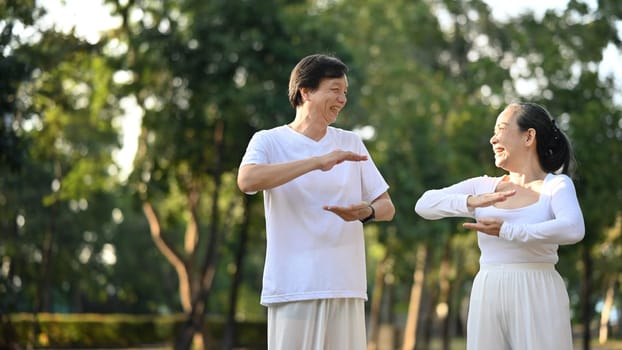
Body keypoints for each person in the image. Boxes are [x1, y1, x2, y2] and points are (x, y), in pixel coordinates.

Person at [237, 53, 395, 349]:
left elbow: (387, 207)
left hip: (345, 285)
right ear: (305, 91)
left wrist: (367, 212)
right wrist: (317, 161)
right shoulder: (268, 141)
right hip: (293, 287)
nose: (342, 99)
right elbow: (247, 180)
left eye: (345, 92)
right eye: (334, 90)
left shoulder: (351, 142)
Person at [414, 102, 585, 350]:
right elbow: (424, 204)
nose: (493, 139)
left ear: (529, 136)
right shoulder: (483, 186)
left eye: (501, 128)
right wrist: (470, 201)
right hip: (488, 288)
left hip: (537, 289)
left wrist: (507, 231)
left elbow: (573, 229)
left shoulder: (555, 186)